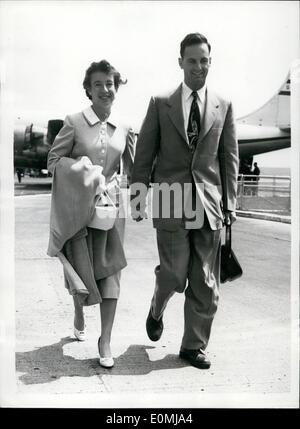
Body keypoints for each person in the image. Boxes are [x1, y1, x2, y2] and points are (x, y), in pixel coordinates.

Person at [130, 33, 239, 369]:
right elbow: (144, 153)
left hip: (209, 201)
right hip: (169, 197)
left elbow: (228, 157)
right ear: (181, 62)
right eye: (192, 60)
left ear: (210, 62)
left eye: (204, 60)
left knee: (205, 281)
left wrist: (230, 203)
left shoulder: (224, 105)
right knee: (175, 275)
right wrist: (138, 195)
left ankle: (192, 346)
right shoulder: (160, 102)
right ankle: (157, 307)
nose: (198, 67)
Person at [47, 60, 134, 368]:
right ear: (88, 90)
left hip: (111, 211)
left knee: (111, 272)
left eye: (110, 83)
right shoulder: (73, 121)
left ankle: (105, 339)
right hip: (79, 210)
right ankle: (79, 311)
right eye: (98, 84)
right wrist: (86, 172)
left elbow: (134, 169)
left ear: (117, 88)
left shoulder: (124, 128)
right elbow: (53, 160)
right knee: (81, 271)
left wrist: (139, 198)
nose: (105, 89)